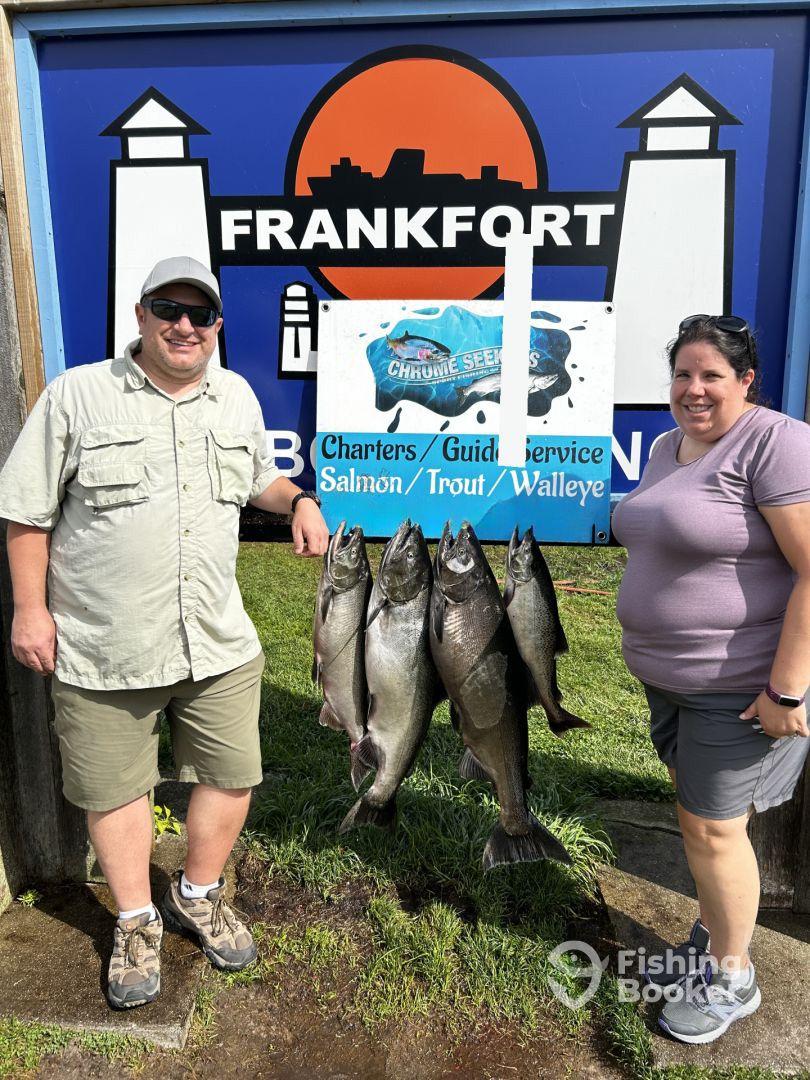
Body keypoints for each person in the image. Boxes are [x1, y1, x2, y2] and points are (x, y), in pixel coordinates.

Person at [0, 256, 329, 1009]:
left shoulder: (235, 395)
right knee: (114, 788)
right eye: (168, 310)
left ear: (217, 325)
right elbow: (26, 510)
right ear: (141, 317)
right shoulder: (78, 395)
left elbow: (258, 478)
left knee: (233, 775)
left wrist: (299, 500)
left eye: (200, 314)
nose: (185, 326)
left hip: (215, 640)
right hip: (105, 643)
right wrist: (29, 610)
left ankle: (197, 893)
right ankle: (135, 920)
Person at [611, 314, 810, 1045]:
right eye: (682, 374)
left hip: (741, 684)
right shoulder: (667, 447)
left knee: (713, 829)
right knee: (704, 820)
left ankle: (733, 978)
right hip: (670, 681)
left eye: (712, 376)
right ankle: (716, 927)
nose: (694, 389)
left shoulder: (776, 443)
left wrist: (786, 690)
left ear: (746, 380)